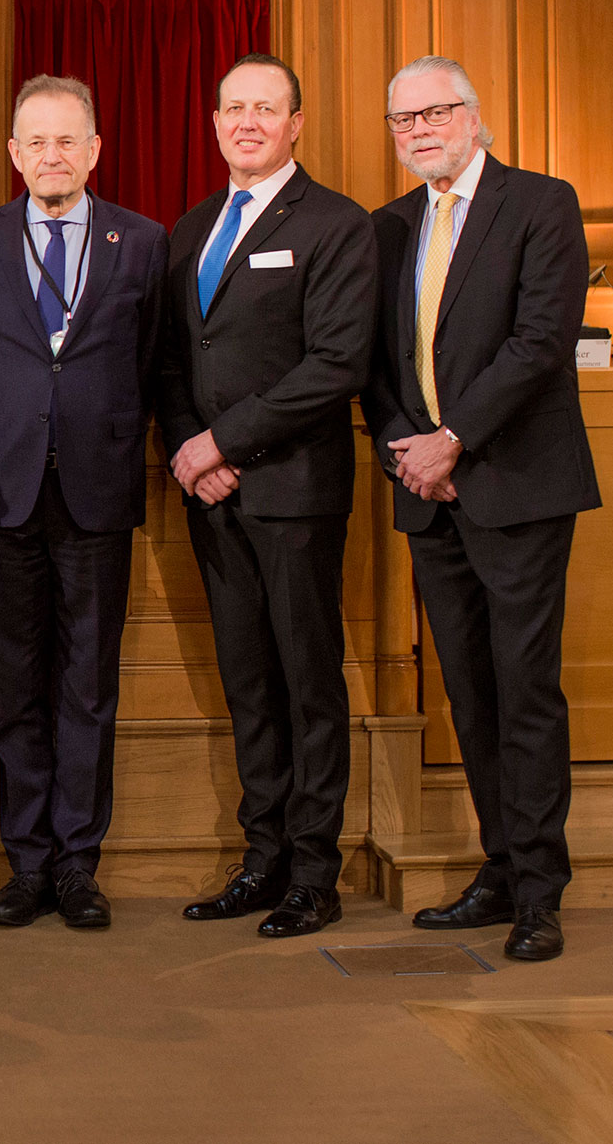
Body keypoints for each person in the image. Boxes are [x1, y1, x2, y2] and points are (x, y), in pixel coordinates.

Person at [361, 54, 599, 963]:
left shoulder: (541, 204)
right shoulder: (387, 229)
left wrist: (455, 438)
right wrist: (413, 452)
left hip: (518, 487)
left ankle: (541, 891)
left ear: (474, 115)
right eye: (403, 120)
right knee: (469, 691)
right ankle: (500, 869)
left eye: (435, 113)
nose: (419, 131)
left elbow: (542, 342)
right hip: (430, 494)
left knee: (525, 691)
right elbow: (374, 364)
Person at [157, 55, 377, 939]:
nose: (247, 122)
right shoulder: (194, 226)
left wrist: (225, 441)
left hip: (294, 491)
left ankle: (314, 874)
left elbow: (336, 365)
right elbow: (173, 357)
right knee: (249, 682)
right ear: (214, 123)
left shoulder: (336, 224)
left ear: (296, 123)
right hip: (211, 495)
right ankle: (263, 859)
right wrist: (187, 447)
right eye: (233, 108)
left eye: (266, 108)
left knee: (307, 680)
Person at [0, 74, 167, 931]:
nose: (51, 155)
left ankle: (79, 863)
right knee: (13, 687)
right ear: (13, 154)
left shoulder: (141, 242)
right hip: (3, 494)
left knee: (88, 684)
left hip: (98, 491)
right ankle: (25, 864)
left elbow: (150, 362)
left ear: (96, 149)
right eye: (35, 141)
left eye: (67, 139)